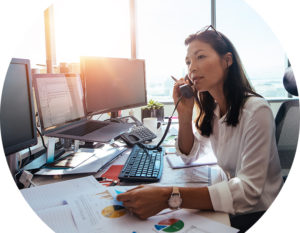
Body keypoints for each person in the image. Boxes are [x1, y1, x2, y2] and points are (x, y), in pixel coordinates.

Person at [117, 25, 283, 232]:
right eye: (188, 62)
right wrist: (185, 116)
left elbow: (249, 193)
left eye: (200, 57)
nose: (192, 68)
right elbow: (189, 156)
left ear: (227, 60)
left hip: (256, 213)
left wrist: (168, 196)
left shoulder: (256, 111)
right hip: (231, 203)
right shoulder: (214, 109)